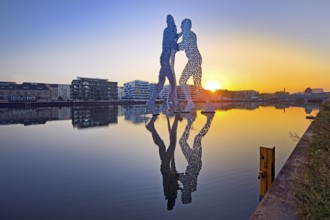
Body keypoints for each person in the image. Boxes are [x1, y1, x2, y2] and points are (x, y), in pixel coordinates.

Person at [146, 113, 182, 210]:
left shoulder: (169, 194)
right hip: (164, 167)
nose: (173, 202)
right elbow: (173, 183)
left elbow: (170, 181)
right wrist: (180, 188)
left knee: (171, 143)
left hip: (165, 166)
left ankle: (152, 128)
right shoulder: (171, 194)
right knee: (162, 145)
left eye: (172, 203)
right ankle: (151, 129)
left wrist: (176, 179)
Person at [146, 15, 181, 115]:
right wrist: (180, 46)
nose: (171, 22)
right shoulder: (167, 31)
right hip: (165, 60)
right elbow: (172, 43)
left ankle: (151, 102)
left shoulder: (171, 31)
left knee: (162, 82)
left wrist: (181, 33)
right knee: (172, 82)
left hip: (164, 60)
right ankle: (174, 104)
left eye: (172, 20)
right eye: (169, 21)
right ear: (167, 22)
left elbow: (175, 37)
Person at [178, 18, 214, 113]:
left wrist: (173, 45)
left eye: (186, 24)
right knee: (197, 86)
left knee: (182, 81)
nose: (184, 26)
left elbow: (183, 45)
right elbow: (183, 44)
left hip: (194, 60)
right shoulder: (189, 34)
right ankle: (209, 105)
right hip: (197, 59)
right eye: (183, 24)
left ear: (188, 26)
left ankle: (190, 103)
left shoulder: (189, 35)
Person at [178, 111, 214, 204]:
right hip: (195, 161)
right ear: (186, 195)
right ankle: (208, 121)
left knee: (186, 141)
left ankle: (191, 123)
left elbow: (183, 178)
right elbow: (181, 176)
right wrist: (175, 180)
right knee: (195, 139)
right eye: (183, 196)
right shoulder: (189, 186)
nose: (182, 194)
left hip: (193, 162)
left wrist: (179, 187)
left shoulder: (191, 188)